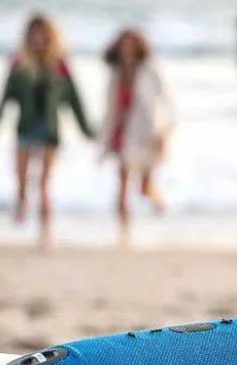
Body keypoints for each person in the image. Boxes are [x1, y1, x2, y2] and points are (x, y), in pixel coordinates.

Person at [0, 14, 94, 251]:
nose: (38, 38)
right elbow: (4, 99)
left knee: (45, 184)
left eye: (42, 33)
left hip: (50, 130)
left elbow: (75, 100)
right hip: (25, 128)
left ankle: (46, 234)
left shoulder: (60, 64)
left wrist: (87, 130)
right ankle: (22, 205)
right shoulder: (18, 63)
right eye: (34, 33)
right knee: (21, 181)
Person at [100, 29, 175, 248]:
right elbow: (110, 107)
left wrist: (163, 135)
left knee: (144, 187)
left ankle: (159, 202)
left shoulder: (150, 71)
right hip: (123, 132)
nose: (127, 49)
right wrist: (102, 134)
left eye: (131, 45)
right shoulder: (116, 73)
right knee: (122, 182)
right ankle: (123, 232)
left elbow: (165, 104)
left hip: (147, 133)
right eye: (124, 45)